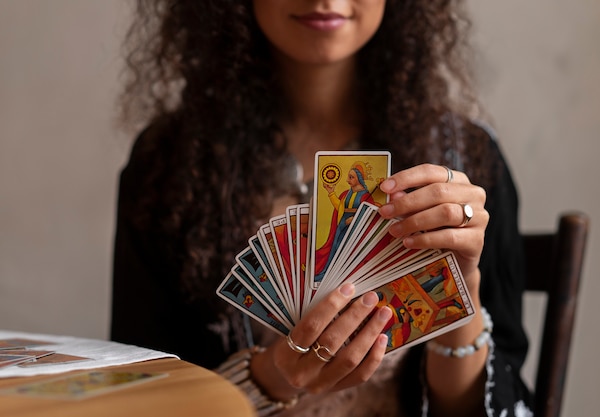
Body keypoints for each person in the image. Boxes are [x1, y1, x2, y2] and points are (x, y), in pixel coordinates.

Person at [111, 1, 533, 416]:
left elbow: (482, 406)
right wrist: (270, 377)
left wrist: (464, 289)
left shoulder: (467, 158)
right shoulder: (167, 163)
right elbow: (142, 394)